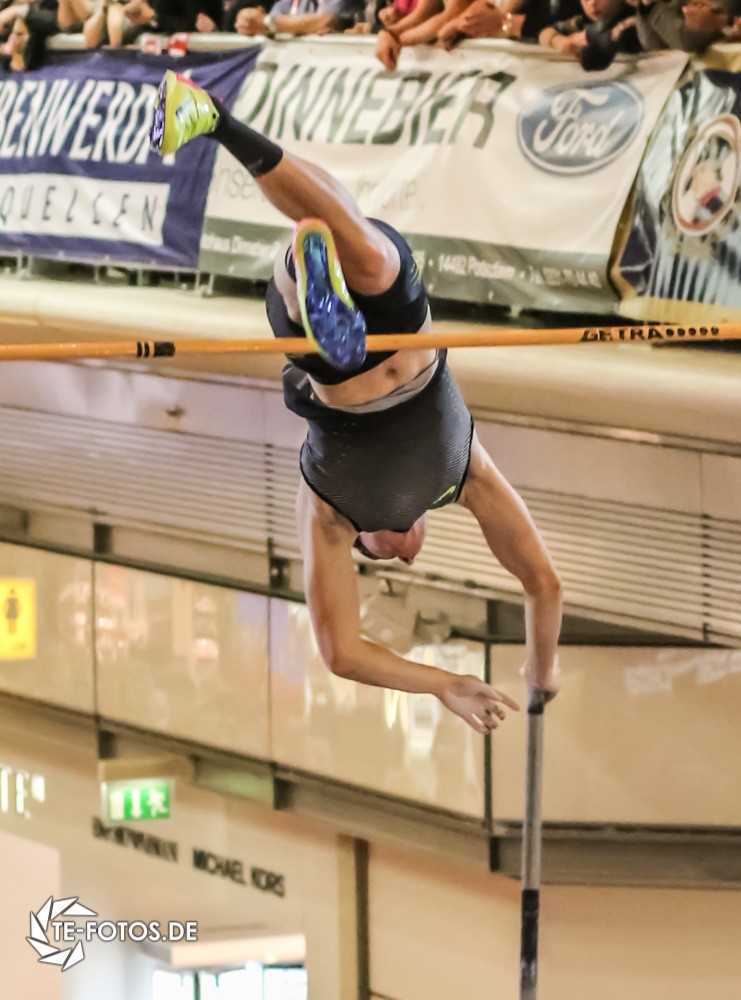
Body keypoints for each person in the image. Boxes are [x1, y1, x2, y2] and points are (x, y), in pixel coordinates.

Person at [149, 72, 562, 734]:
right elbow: (542, 582)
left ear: (361, 542)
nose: (400, 548)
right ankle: (214, 122)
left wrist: (442, 685)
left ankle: (308, 283)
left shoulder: (329, 518)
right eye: (407, 548)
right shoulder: (466, 476)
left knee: (339, 331)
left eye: (383, 552)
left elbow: (341, 652)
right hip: (401, 332)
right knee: (369, 255)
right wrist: (542, 669)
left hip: (328, 365)